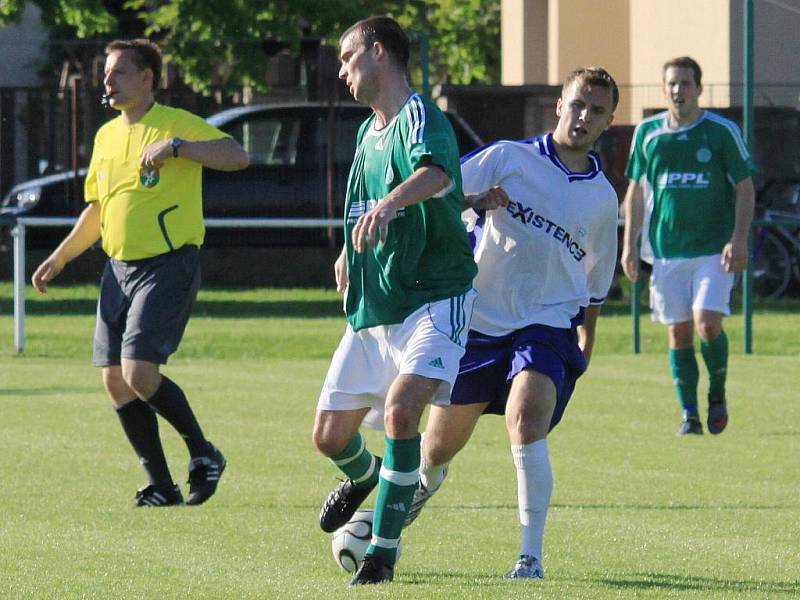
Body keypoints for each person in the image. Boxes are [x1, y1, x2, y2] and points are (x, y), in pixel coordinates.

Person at [403, 67, 621, 580]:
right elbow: (438, 191)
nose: (583, 116)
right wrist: (477, 201)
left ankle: (530, 556)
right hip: (482, 322)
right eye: (577, 104)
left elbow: (596, 279)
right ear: (558, 105)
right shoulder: (507, 157)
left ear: (609, 121)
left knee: (526, 418)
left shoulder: (602, 197)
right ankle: (423, 483)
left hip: (548, 323)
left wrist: (588, 338)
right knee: (437, 448)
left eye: (596, 110)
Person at [31, 39, 249, 506]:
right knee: (113, 377)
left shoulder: (173, 124)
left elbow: (237, 156)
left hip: (167, 264)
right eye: (106, 74)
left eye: (118, 73)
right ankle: (163, 485)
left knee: (138, 372)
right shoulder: (107, 136)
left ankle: (203, 453)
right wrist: (61, 257)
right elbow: (97, 209)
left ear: (147, 77)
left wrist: (179, 148)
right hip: (118, 268)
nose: (107, 82)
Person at [311, 16, 478, 585]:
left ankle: (383, 552)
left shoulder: (420, 117)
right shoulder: (368, 132)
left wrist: (391, 204)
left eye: (346, 56)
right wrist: (345, 253)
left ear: (378, 53)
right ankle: (371, 476)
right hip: (378, 300)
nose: (341, 70)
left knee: (402, 411)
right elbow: (362, 201)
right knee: (329, 437)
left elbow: (436, 175)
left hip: (434, 296)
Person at [621, 56, 756, 436]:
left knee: (707, 325)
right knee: (678, 334)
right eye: (672, 84)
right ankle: (689, 414)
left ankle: (717, 390)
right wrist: (629, 246)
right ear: (664, 91)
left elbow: (745, 187)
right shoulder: (648, 133)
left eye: (685, 83)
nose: (678, 90)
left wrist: (739, 239)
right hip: (665, 252)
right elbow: (634, 191)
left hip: (714, 249)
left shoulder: (721, 131)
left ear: (699, 87)